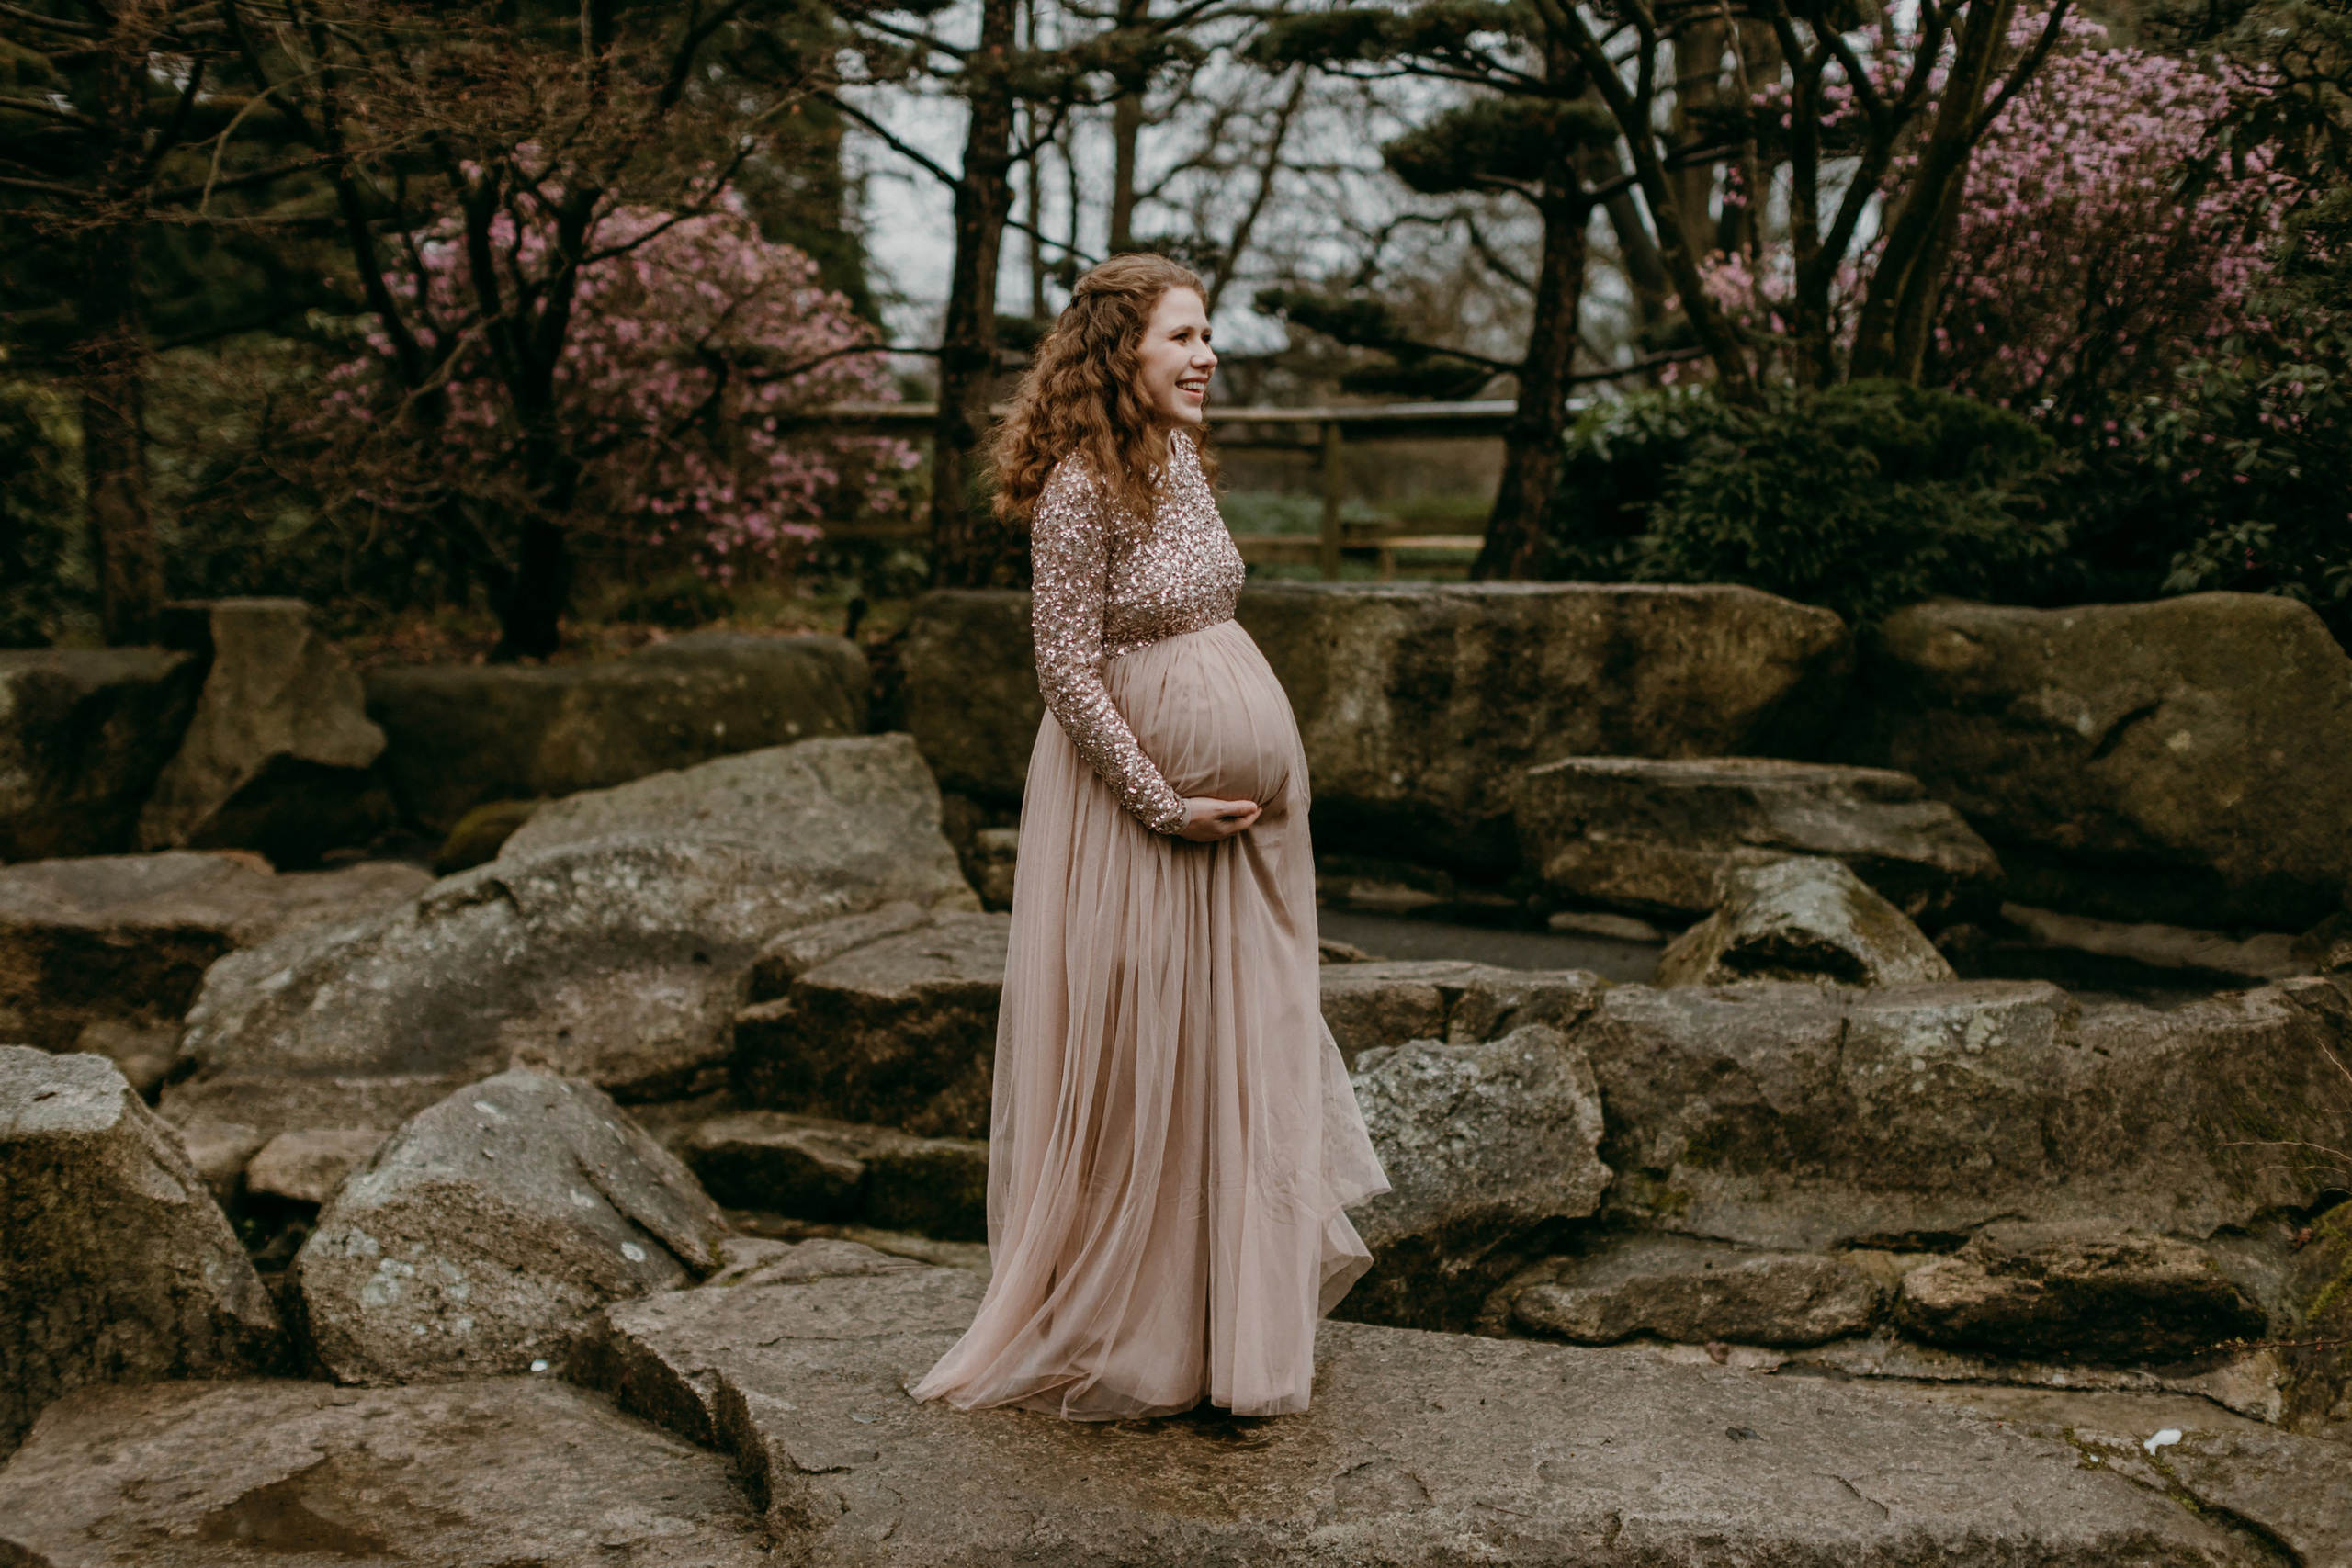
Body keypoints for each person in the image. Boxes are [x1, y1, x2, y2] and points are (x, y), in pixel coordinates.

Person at [910, 254, 1389, 1422]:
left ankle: (1235, 1329)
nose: (1206, 356)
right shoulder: (1079, 488)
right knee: (1152, 1065)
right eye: (1182, 337)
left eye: (1208, 334)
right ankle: (1145, 1332)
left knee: (1243, 1049)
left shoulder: (1179, 463)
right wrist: (1163, 803)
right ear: (1119, 353)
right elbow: (1065, 668)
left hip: (1247, 842)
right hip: (1140, 831)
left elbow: (1201, 617)